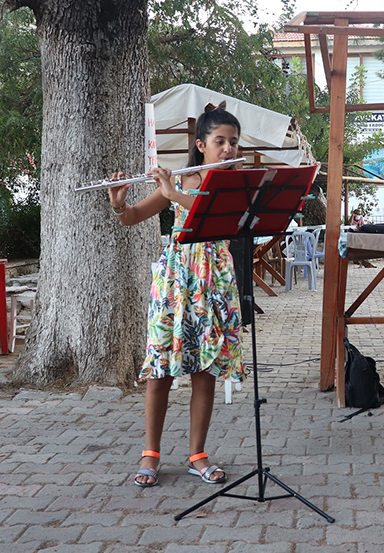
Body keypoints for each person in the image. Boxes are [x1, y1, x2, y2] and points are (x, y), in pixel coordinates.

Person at [108, 103, 247, 488]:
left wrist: (173, 192)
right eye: (220, 141)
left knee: (205, 369)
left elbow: (219, 216)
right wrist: (119, 203)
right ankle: (150, 453)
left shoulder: (233, 184)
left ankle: (197, 453)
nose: (229, 149)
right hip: (176, 280)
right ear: (201, 145)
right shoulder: (181, 181)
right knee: (161, 368)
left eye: (233, 142)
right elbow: (134, 216)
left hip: (213, 282)